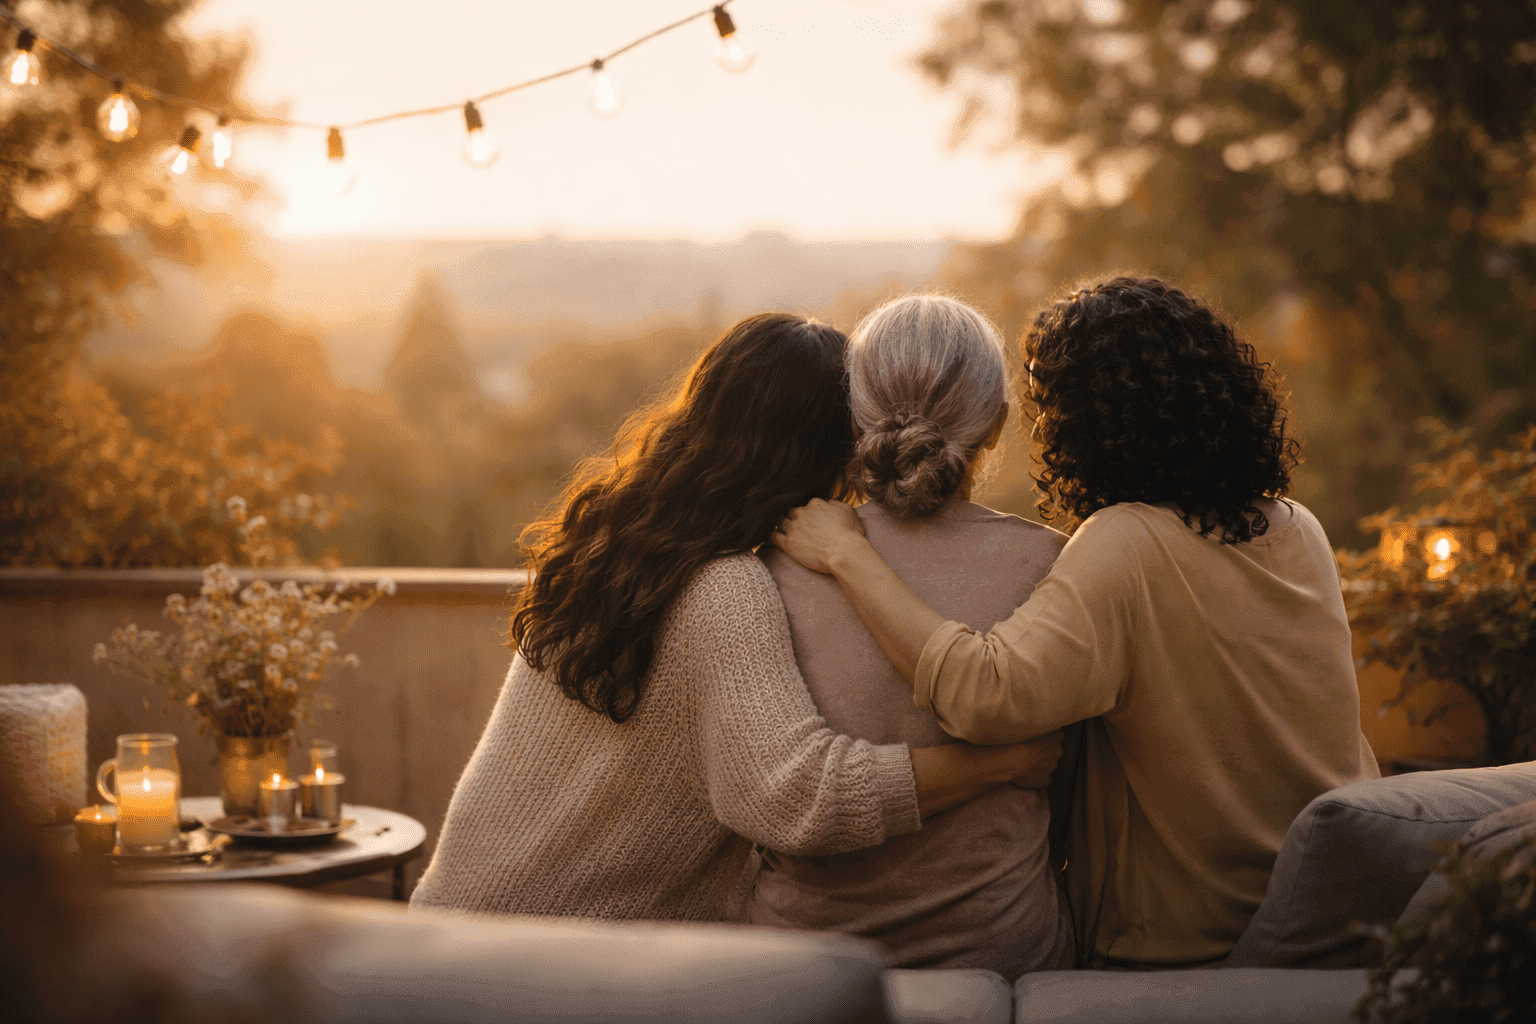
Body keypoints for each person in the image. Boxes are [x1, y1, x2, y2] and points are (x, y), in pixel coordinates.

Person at [772, 278, 1380, 969]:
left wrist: (848, 554)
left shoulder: (1126, 546)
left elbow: (986, 695)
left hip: (1199, 937)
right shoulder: (1299, 528)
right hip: (1329, 900)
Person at [411, 313, 1062, 923]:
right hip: (548, 969)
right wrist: (998, 765)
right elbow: (795, 797)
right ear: (827, 450)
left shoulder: (615, 547)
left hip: (450, 928)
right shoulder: (725, 589)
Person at [749, 295, 1074, 977]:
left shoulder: (773, 564)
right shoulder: (1054, 566)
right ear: (997, 425)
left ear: (855, 415)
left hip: (800, 964)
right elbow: (1073, 787)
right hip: (1002, 957)